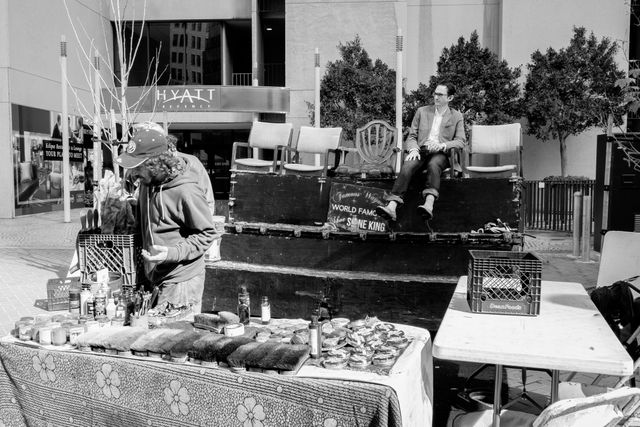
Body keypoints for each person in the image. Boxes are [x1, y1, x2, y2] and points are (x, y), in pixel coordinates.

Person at [116, 124, 216, 314]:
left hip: (182, 281)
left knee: (174, 339)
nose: (134, 174)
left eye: (138, 168)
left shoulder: (186, 191)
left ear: (155, 163)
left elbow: (206, 234)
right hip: (157, 275)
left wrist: (171, 253)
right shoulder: (148, 183)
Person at [376, 82, 466, 221]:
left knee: (434, 164)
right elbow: (412, 136)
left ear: (450, 98)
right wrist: (413, 149)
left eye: (440, 94)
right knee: (408, 165)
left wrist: (442, 145)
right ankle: (392, 206)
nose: (436, 97)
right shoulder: (422, 111)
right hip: (422, 151)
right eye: (435, 93)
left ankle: (428, 204)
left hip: (441, 153)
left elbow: (460, 141)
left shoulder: (456, 116)